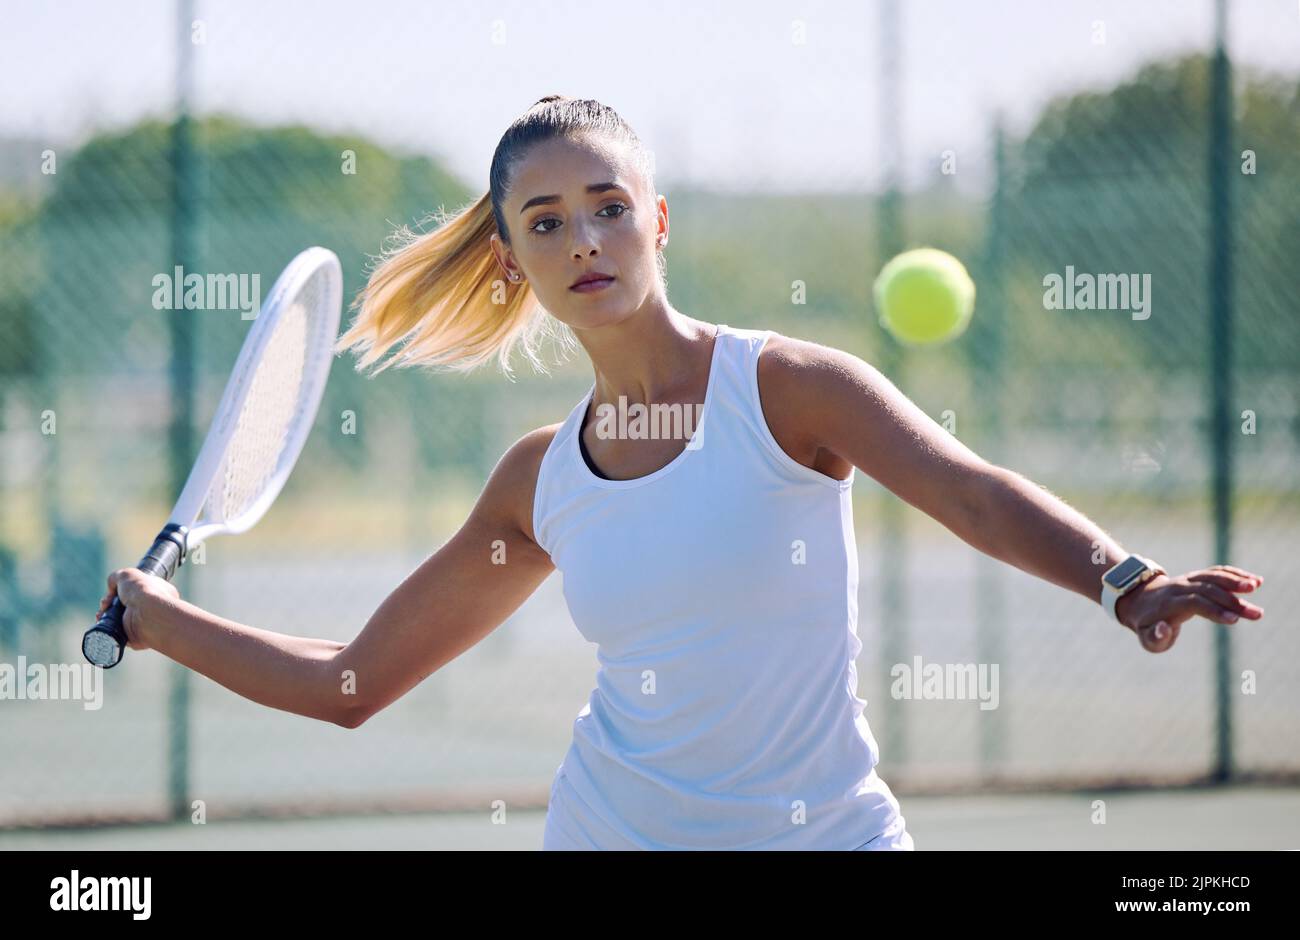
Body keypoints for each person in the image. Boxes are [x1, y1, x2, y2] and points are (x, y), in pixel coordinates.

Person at [100, 95, 1266, 851]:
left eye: (608, 208)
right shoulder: (536, 481)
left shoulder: (790, 391)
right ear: (511, 260)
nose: (585, 241)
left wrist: (1124, 579)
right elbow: (353, 683)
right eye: (546, 223)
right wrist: (164, 623)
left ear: (657, 220)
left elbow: (968, 490)